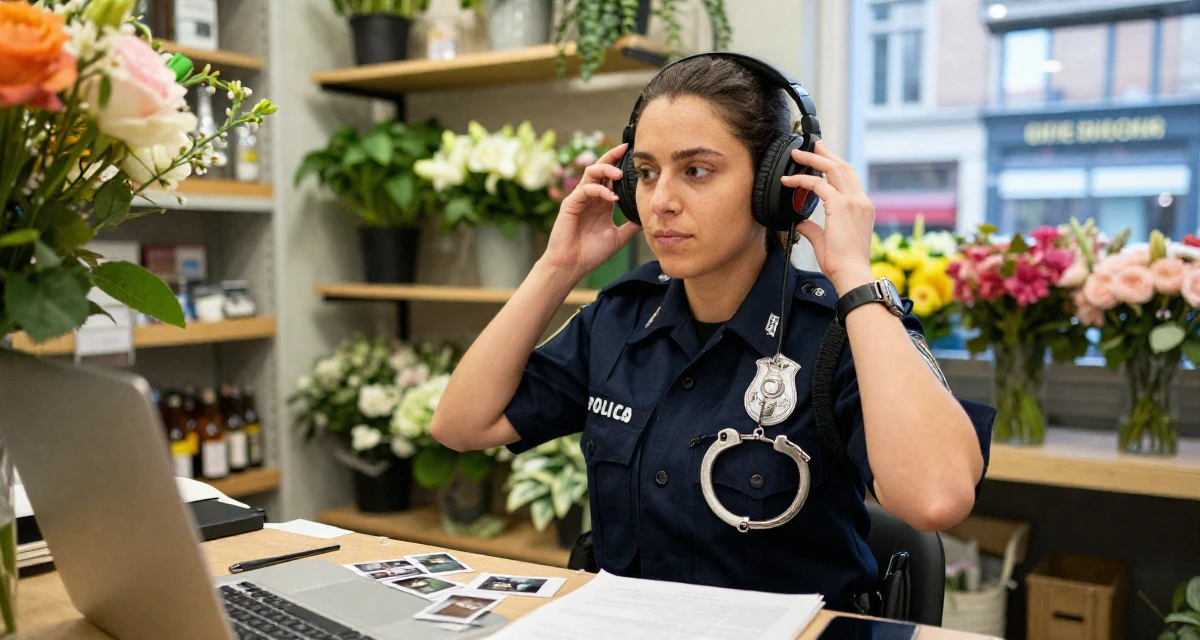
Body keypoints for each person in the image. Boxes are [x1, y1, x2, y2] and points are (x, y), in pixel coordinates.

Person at [430, 53, 996, 612]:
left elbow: (935, 499)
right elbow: (460, 424)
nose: (661, 202)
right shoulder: (622, 318)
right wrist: (558, 266)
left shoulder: (846, 331)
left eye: (696, 170)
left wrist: (853, 275)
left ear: (776, 185)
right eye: (646, 174)